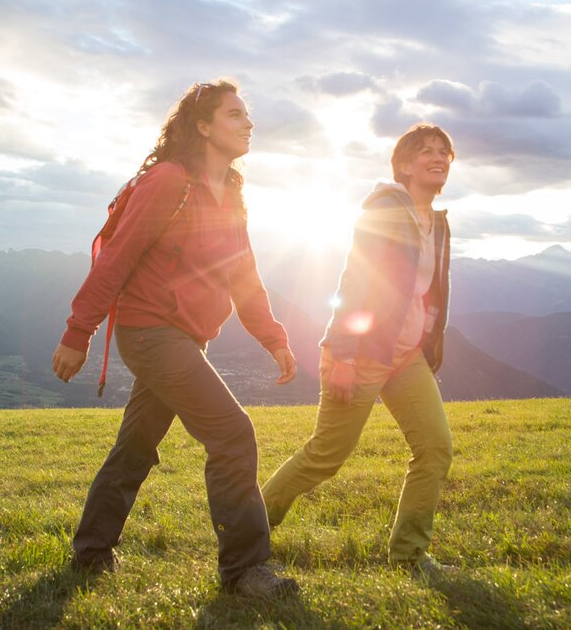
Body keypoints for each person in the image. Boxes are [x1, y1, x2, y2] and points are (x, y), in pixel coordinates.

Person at [52, 79, 299, 598]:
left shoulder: (230, 193)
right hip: (150, 333)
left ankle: (91, 552)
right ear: (202, 126)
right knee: (233, 434)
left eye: (247, 114)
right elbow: (117, 258)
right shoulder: (169, 181)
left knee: (136, 447)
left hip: (186, 338)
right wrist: (78, 332)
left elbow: (244, 274)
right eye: (235, 114)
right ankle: (244, 570)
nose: (249, 122)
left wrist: (272, 337)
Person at [261, 123, 455, 577]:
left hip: (405, 357)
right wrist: (344, 355)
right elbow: (356, 280)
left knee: (435, 448)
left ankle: (409, 556)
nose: (438, 158)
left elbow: (428, 292)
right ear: (404, 165)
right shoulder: (386, 209)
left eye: (444, 152)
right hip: (362, 353)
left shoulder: (437, 222)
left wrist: (428, 340)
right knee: (325, 457)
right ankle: (246, 529)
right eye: (426, 151)